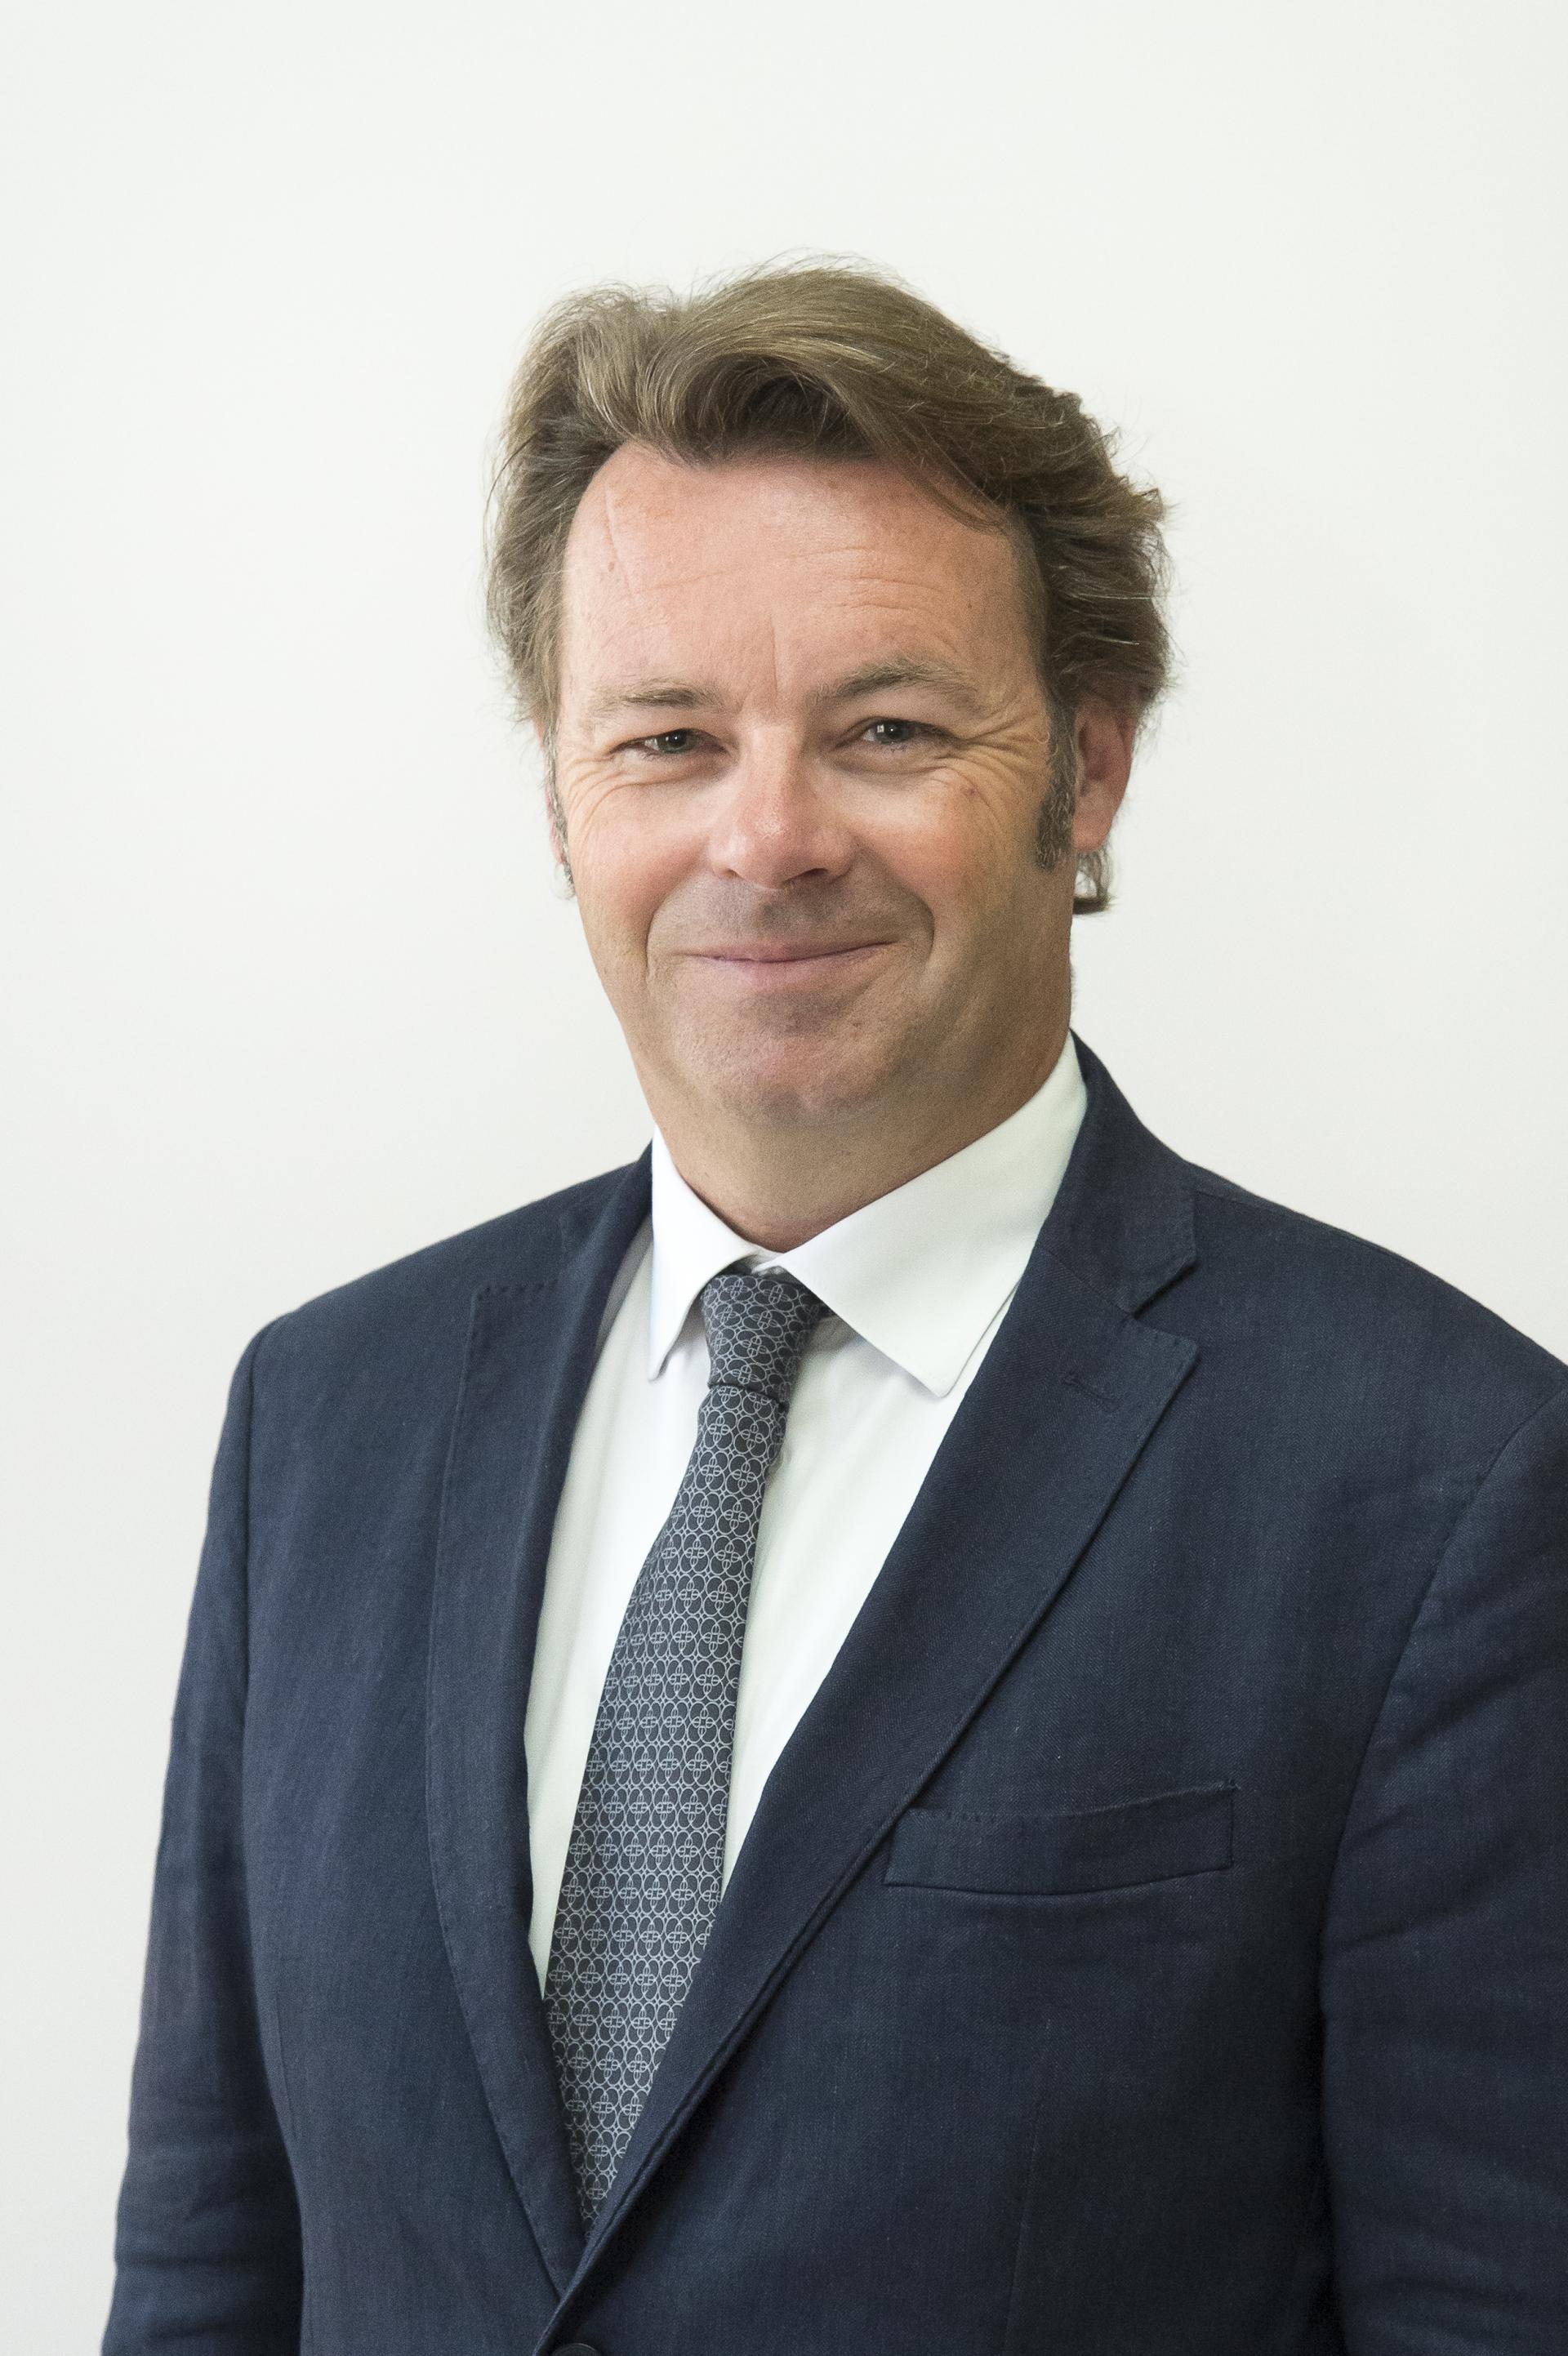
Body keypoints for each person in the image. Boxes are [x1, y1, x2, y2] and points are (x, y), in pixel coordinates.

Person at [104, 261, 1568, 2356]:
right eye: (668, 739)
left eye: (887, 731)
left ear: (1084, 772)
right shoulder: (329, 1418)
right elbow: (208, 2275)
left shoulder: (1441, 1484)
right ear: (564, 793)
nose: (768, 837)